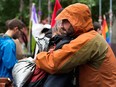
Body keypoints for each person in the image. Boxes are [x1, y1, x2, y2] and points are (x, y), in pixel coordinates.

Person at [35, 3, 116, 87]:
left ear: (75, 20)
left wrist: (38, 57)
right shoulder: (90, 37)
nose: (62, 25)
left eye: (65, 21)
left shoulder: (87, 39)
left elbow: (55, 63)